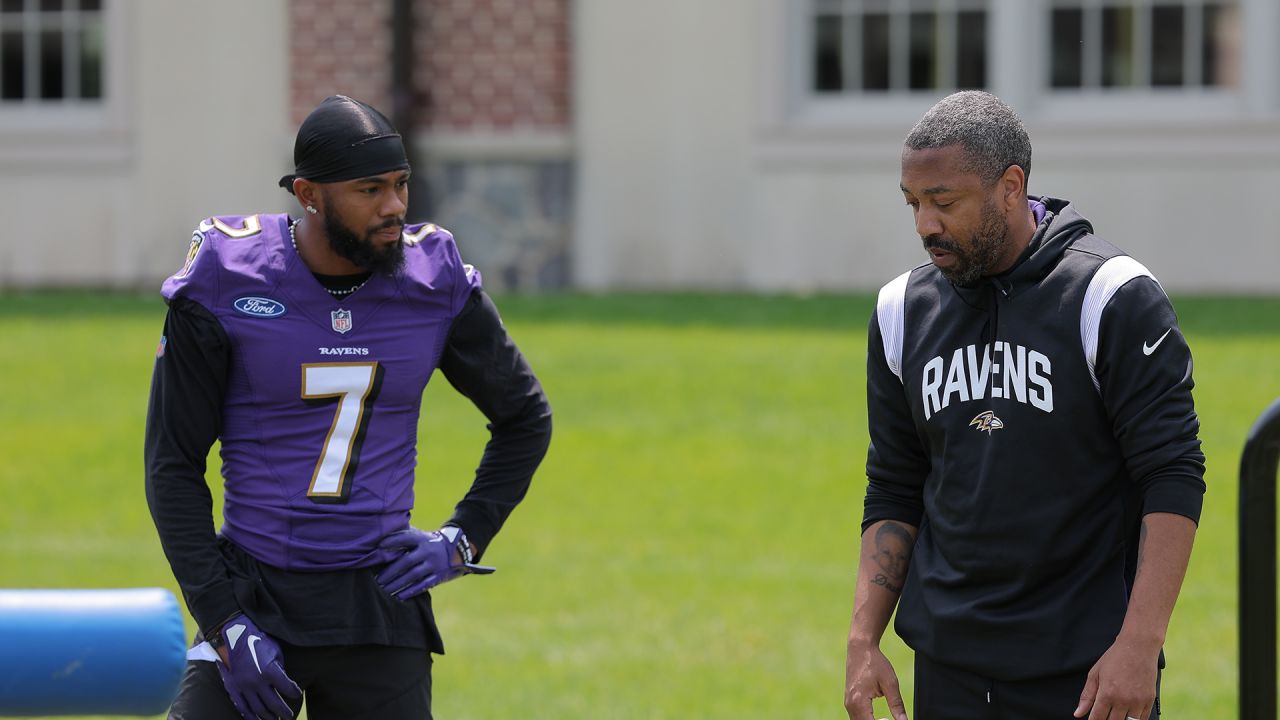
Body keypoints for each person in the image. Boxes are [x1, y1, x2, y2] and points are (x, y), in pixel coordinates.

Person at [145, 95, 552, 720]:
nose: (394, 206)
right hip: (255, 595)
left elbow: (525, 417)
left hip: (378, 600)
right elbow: (173, 463)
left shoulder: (431, 280)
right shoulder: (228, 280)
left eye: (401, 184)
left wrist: (462, 539)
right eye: (370, 189)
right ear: (308, 194)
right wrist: (223, 622)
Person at [843, 91, 1204, 720]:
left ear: (1011, 187)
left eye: (944, 202)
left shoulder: (1111, 298)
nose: (926, 224)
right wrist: (863, 639)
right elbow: (895, 485)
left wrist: (1140, 645)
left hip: (1087, 676)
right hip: (948, 669)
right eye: (913, 203)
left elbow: (1171, 476)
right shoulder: (901, 310)